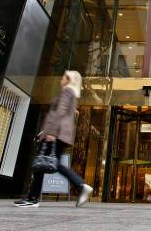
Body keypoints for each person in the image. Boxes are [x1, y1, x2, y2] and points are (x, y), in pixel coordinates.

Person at [14, 71, 93, 208]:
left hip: (56, 133)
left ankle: (80, 185)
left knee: (47, 164)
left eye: (64, 77)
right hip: (59, 133)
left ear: (69, 80)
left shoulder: (67, 91)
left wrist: (51, 132)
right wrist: (44, 132)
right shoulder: (71, 93)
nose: (61, 79)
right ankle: (33, 197)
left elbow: (60, 112)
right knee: (48, 164)